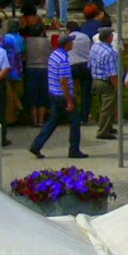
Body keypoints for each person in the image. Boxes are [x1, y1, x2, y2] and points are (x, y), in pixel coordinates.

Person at [29, 32, 83, 160]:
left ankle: (37, 145)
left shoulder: (54, 55)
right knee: (75, 122)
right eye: (71, 42)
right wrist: (69, 100)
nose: (73, 43)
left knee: (53, 121)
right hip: (63, 96)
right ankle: (74, 149)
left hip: (53, 93)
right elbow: (63, 81)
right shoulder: (63, 59)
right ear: (67, 44)